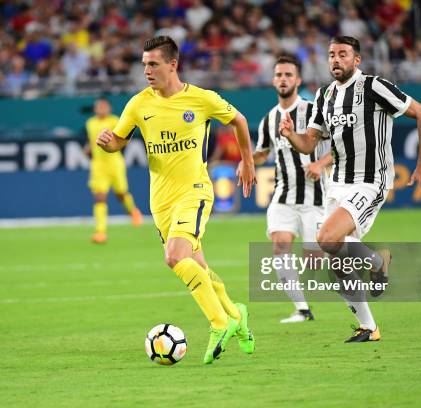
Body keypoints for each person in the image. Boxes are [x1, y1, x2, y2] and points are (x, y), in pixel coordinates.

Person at [96, 36, 256, 364]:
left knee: (174, 256)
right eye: (144, 65)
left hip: (194, 192)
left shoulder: (201, 99)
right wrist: (107, 143)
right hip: (161, 202)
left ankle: (219, 323)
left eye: (153, 64)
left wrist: (248, 161)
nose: (147, 71)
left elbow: (239, 120)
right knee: (198, 266)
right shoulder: (138, 104)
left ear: (173, 64)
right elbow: (119, 142)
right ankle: (236, 315)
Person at [279, 36, 421, 342]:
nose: (336, 60)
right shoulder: (324, 95)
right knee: (336, 259)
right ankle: (370, 326)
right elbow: (309, 144)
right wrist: (290, 134)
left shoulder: (374, 87)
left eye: (343, 54)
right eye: (331, 55)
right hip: (336, 183)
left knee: (326, 238)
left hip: (370, 180)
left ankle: (379, 262)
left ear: (357, 60)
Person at [252, 55, 333, 323]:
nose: (283, 79)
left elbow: (341, 145)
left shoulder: (313, 112)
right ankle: (302, 309)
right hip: (283, 196)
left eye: (288, 75)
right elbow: (262, 154)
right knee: (280, 244)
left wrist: (321, 163)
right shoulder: (268, 119)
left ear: (298, 80)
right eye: (279, 75)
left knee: (314, 261)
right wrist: (245, 161)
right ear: (273, 80)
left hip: (316, 198)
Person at [84, 97, 143, 244]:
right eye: (99, 106)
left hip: (115, 163)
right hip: (98, 165)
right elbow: (92, 141)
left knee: (121, 194)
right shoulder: (90, 123)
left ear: (109, 108)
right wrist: (88, 148)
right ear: (95, 109)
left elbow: (119, 139)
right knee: (99, 197)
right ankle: (100, 232)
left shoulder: (114, 120)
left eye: (104, 106)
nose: (102, 109)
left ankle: (133, 211)